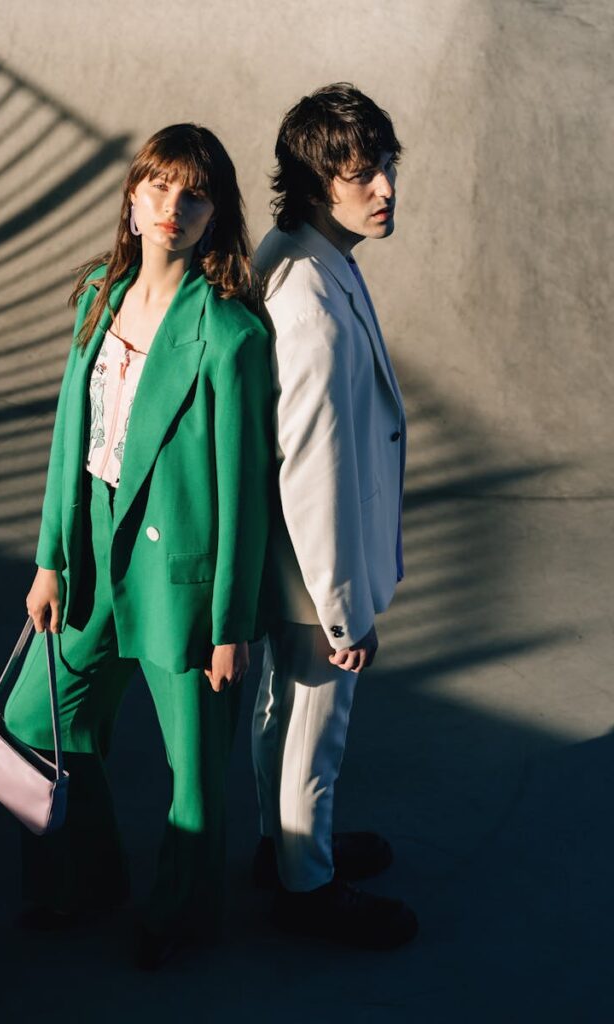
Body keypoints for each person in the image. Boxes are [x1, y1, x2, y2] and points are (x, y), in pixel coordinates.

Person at [2, 123, 273, 969]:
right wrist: (49, 556)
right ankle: (88, 880)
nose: (172, 207)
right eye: (158, 186)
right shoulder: (98, 297)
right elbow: (66, 441)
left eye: (193, 194)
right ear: (131, 195)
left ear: (214, 214)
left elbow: (245, 496)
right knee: (34, 722)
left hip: (181, 580)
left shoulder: (231, 336)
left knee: (194, 776)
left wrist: (231, 623)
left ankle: (179, 918)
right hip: (90, 553)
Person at [250, 84, 418, 949]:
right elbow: (313, 469)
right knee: (316, 733)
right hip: (317, 573)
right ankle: (307, 890)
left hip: (297, 566)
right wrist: (344, 609)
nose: (386, 187)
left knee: (282, 716)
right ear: (319, 185)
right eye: (364, 175)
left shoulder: (305, 252)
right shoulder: (308, 305)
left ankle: (282, 852)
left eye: (387, 164)